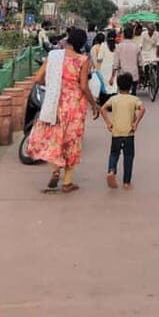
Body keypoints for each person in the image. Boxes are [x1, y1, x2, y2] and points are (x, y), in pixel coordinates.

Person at [26, 28, 99, 193]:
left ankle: (55, 171)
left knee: (56, 138)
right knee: (71, 142)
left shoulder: (54, 56)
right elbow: (83, 86)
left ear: (68, 40)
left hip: (55, 103)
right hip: (75, 106)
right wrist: (94, 104)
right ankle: (67, 182)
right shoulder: (83, 60)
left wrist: (51, 84)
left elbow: (37, 78)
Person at [100, 72, 146, 190]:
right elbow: (142, 109)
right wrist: (136, 123)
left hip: (116, 132)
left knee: (114, 154)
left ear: (118, 86)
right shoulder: (134, 99)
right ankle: (126, 182)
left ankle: (111, 170)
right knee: (128, 156)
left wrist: (108, 123)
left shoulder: (114, 99)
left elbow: (103, 108)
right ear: (130, 86)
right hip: (129, 133)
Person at [113, 25, 142, 96]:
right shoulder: (136, 46)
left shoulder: (119, 47)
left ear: (124, 35)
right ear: (132, 35)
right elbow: (140, 63)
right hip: (134, 75)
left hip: (122, 75)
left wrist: (112, 76)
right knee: (133, 95)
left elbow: (115, 64)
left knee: (122, 95)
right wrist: (140, 75)